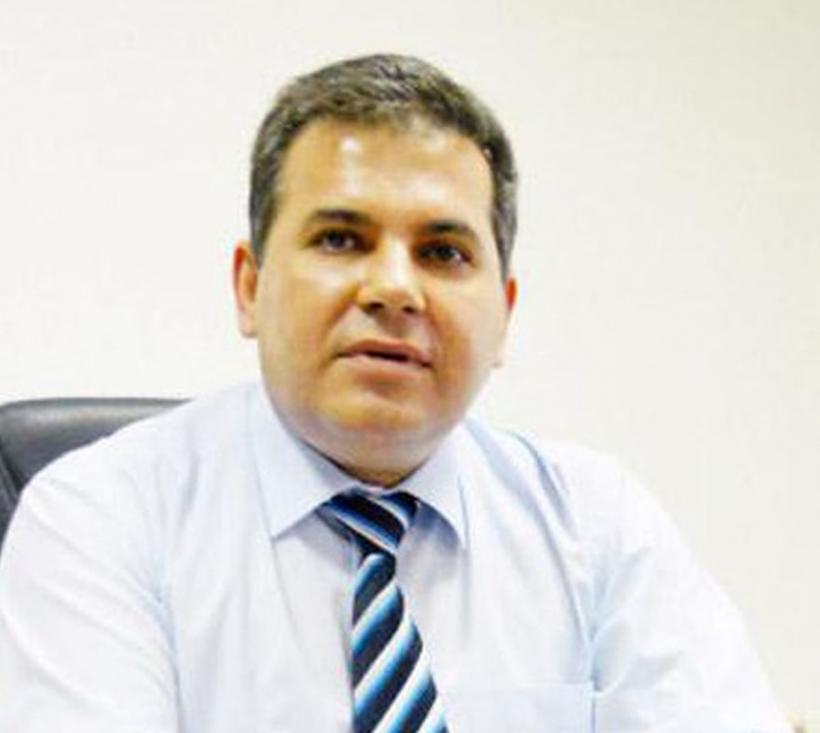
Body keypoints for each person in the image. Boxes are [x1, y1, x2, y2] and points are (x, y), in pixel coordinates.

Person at [0, 54, 790, 732]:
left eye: (443, 252)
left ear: (504, 313)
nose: (393, 287)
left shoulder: (596, 526)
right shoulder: (101, 517)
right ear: (249, 287)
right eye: (341, 239)